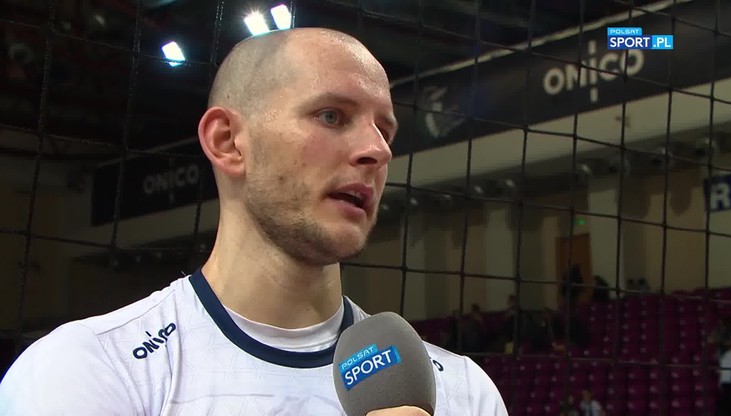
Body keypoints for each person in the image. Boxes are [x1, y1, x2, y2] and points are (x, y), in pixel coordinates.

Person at [0, 28, 508, 415]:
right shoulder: (87, 370)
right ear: (227, 142)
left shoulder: (462, 392)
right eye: (332, 116)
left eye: (385, 129)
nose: (377, 150)